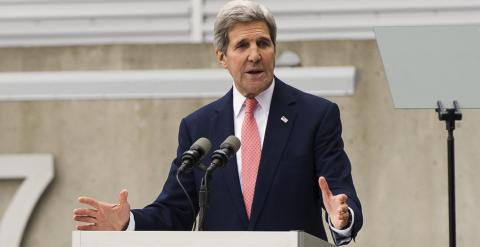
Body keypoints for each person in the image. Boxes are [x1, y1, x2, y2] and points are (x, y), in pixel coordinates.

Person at [73, 0, 362, 245]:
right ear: (222, 56)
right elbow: (176, 209)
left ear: (274, 49)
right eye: (242, 45)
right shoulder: (198, 128)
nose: (254, 54)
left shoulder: (315, 116)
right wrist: (128, 222)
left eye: (263, 43)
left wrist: (342, 218)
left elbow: (340, 192)